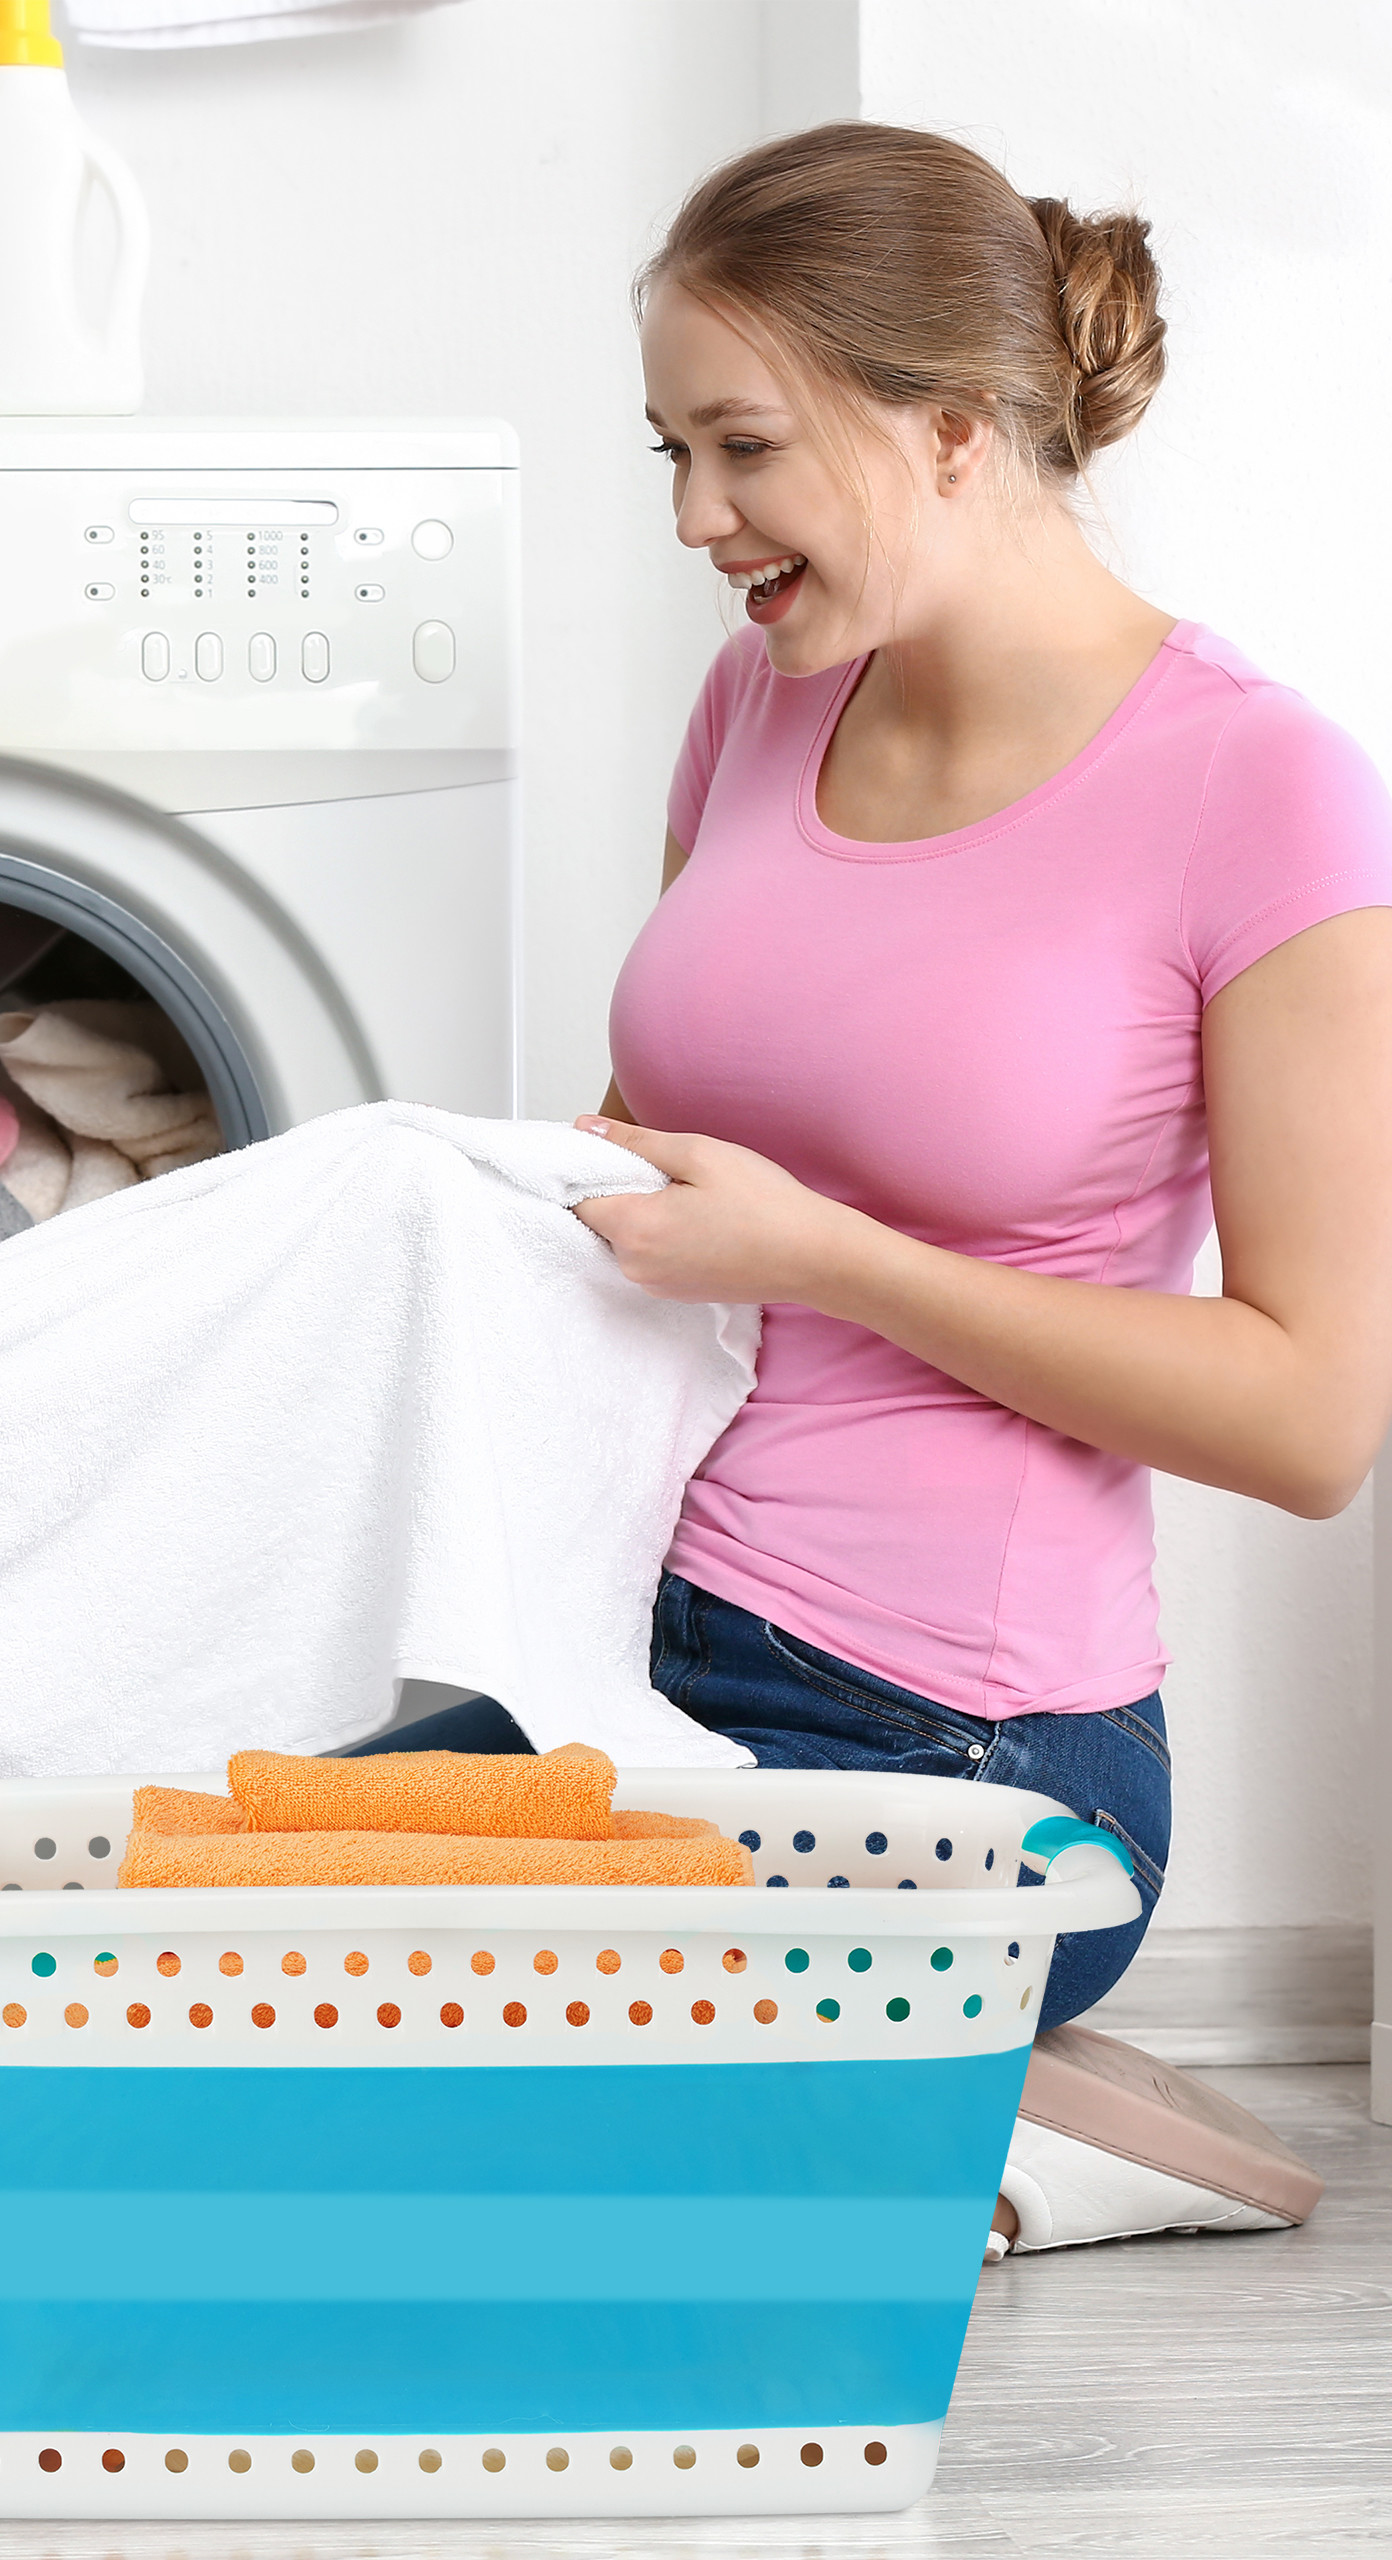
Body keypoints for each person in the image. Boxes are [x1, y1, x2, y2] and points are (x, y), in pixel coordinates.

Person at [361, 125, 1392, 2056]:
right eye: (671, 452)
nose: (697, 517)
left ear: (954, 430)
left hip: (957, 1739)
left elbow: (1315, 1419)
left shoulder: (1264, 788)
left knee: (290, 2010)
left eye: (742, 447)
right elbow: (644, 1169)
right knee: (142, 1909)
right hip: (611, 1636)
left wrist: (837, 1259)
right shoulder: (760, 702)